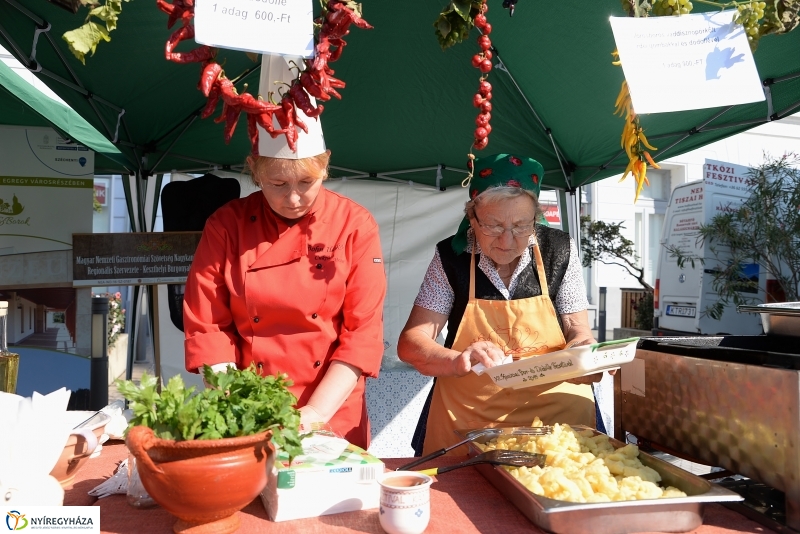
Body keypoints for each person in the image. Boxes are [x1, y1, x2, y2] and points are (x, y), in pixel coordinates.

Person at [182, 55, 387, 449]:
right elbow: (208, 327)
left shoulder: (355, 224)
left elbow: (362, 332)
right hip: (249, 406)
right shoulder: (226, 225)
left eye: (306, 182)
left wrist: (313, 414)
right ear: (253, 171)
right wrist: (240, 407)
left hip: (332, 410)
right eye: (276, 183)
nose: (293, 198)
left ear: (326, 167)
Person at [397, 153, 599, 456]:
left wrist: (584, 350)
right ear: (472, 217)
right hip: (468, 421)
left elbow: (578, 329)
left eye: (521, 226)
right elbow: (412, 343)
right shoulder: (451, 258)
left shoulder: (560, 250)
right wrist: (457, 360)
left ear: (536, 218)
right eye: (492, 225)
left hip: (557, 422)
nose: (507, 240)